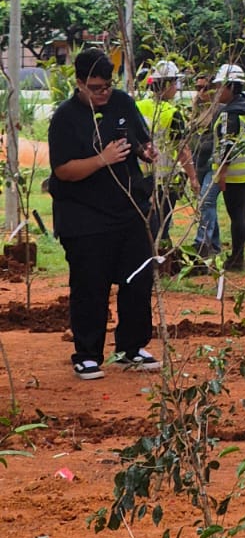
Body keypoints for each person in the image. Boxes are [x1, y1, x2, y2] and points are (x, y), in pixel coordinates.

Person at [47, 48, 161, 379]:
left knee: (137, 280)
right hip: (84, 217)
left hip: (129, 210)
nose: (103, 93)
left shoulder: (122, 103)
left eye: (108, 86)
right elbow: (63, 170)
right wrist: (102, 159)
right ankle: (87, 354)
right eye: (96, 88)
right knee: (90, 286)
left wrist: (146, 151)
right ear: (79, 83)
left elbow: (139, 141)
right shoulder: (65, 118)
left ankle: (131, 348)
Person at [135, 59, 199, 250]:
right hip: (164, 180)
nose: (177, 88)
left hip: (139, 177)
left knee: (144, 223)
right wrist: (193, 178)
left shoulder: (138, 106)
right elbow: (183, 150)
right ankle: (160, 258)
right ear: (168, 84)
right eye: (175, 83)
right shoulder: (172, 113)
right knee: (161, 225)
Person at [210, 63, 245, 270]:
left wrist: (222, 173)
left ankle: (236, 259)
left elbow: (227, 144)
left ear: (231, 87)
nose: (217, 92)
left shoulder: (230, 113)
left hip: (235, 172)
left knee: (237, 216)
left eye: (220, 87)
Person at [189, 72, 222, 262]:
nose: (201, 92)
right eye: (198, 88)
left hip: (214, 164)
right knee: (206, 203)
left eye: (205, 88)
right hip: (199, 163)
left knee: (206, 201)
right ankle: (214, 245)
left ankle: (201, 244)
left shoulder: (219, 111)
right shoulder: (196, 109)